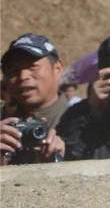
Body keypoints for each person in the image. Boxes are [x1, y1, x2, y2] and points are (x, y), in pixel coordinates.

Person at [0, 34, 68, 165]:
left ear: (57, 69)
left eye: (32, 66)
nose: (22, 76)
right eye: (13, 70)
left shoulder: (82, 119)